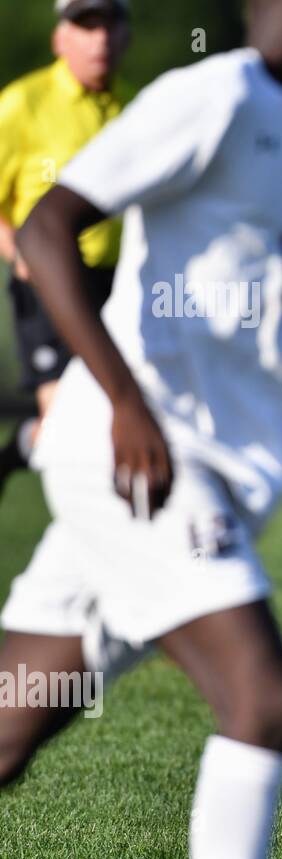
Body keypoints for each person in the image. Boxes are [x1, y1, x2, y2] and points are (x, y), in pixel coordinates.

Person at [0, 0, 282, 859]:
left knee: (9, 729)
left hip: (174, 468)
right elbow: (45, 227)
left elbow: (247, 361)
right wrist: (127, 406)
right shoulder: (216, 93)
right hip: (143, 463)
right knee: (264, 702)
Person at [0, 0, 132, 500]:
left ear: (126, 36)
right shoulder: (23, 103)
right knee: (64, 422)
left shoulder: (136, 108)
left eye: (110, 24)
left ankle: (16, 452)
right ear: (60, 38)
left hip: (118, 283)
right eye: (85, 24)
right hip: (49, 283)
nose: (99, 38)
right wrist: (19, 250)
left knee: (112, 410)